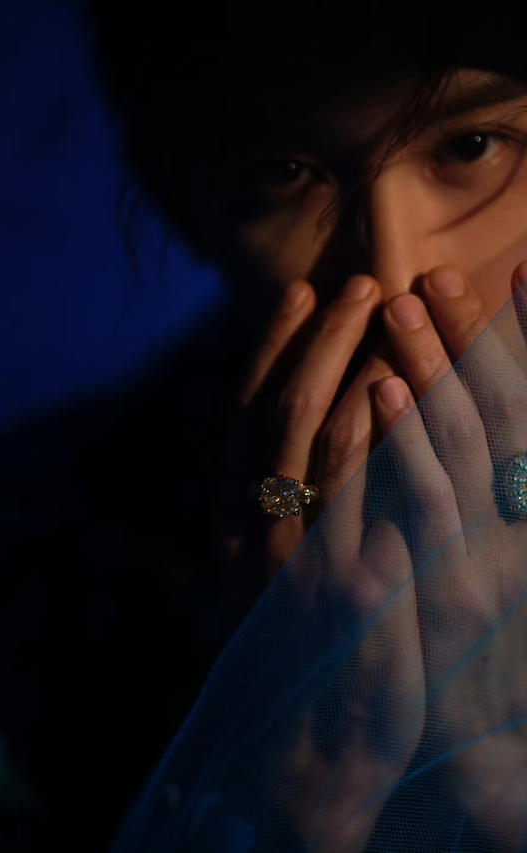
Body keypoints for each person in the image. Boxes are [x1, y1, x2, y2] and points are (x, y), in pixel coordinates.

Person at [82, 0, 527, 849]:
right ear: (187, 211)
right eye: (285, 172)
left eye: (472, 145)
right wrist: (306, 794)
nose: (394, 274)